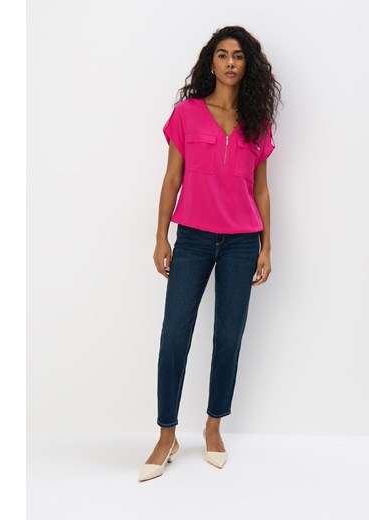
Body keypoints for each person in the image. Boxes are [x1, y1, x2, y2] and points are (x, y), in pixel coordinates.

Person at [138, 25, 282, 482]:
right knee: (174, 335)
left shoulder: (257, 122)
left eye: (238, 56)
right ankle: (167, 434)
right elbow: (172, 178)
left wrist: (266, 245)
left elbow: (261, 189)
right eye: (222, 54)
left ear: (247, 64)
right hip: (194, 239)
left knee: (229, 336)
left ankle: (213, 426)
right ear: (211, 62)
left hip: (242, 242)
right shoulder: (187, 114)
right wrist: (161, 236)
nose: (230, 62)